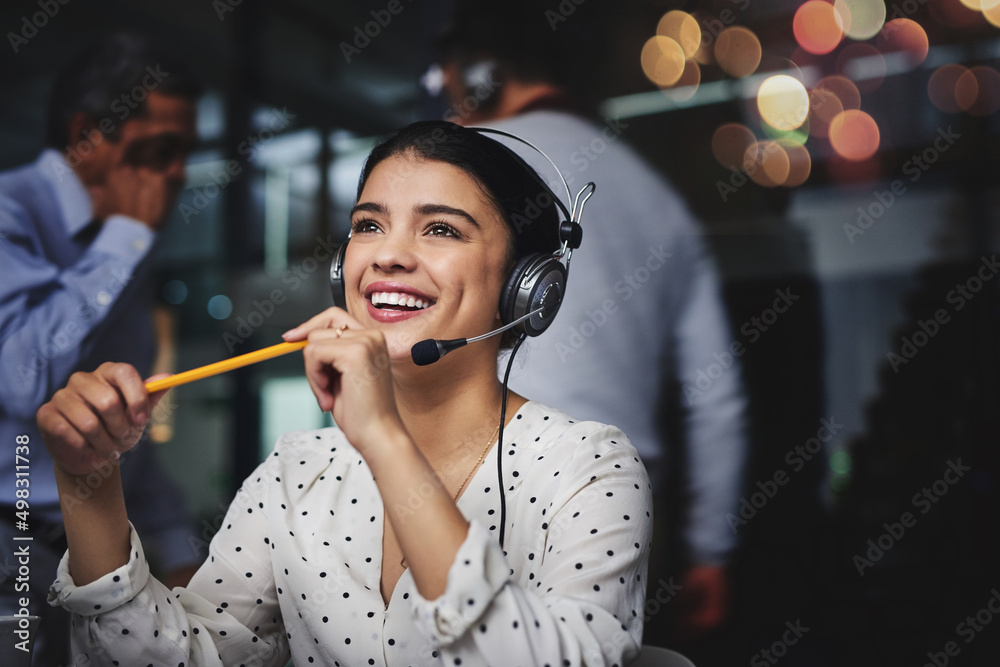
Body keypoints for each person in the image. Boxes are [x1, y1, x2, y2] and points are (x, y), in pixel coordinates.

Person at [37, 121, 653, 667]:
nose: (387, 255)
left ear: (526, 287)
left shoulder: (588, 467)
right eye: (368, 226)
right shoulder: (293, 472)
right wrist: (89, 481)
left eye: (441, 229)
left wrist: (385, 441)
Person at [430, 6, 748, 642]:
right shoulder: (659, 199)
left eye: (446, 86)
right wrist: (712, 550)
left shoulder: (456, 176)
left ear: (479, 73)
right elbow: (717, 398)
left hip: (458, 507)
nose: (447, 106)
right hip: (618, 524)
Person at [0, 33, 202, 664]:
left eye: (183, 154)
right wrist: (125, 237)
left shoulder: (125, 248)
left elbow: (121, 430)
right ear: (88, 135)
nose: (175, 174)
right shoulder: (10, 209)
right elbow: (23, 380)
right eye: (159, 150)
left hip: (98, 549)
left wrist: (177, 549)